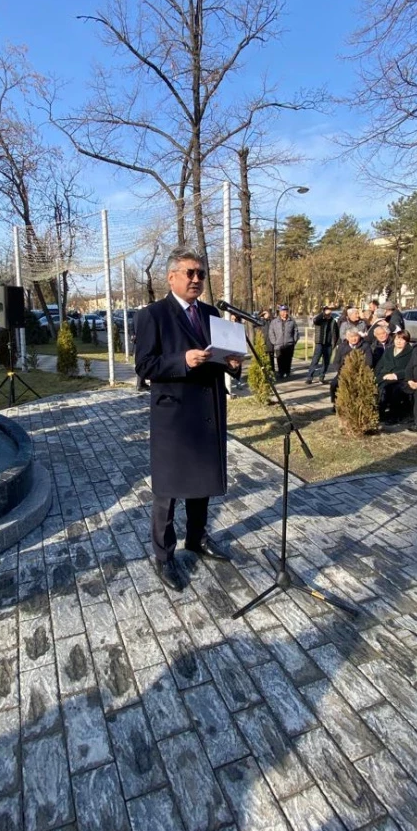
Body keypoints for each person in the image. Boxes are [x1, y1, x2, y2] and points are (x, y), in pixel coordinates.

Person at [133, 247, 242, 592]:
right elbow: (144, 365)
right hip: (174, 415)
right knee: (167, 490)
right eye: (190, 273)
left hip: (208, 410)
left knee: (202, 480)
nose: (197, 279)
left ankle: (196, 538)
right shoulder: (153, 315)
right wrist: (183, 360)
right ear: (171, 277)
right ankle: (164, 556)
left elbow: (219, 357)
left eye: (201, 274)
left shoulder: (211, 313)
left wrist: (231, 364)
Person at [375, 329, 413, 422]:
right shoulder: (389, 350)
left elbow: (411, 369)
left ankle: (393, 416)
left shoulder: (412, 352)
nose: (398, 341)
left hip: (401, 378)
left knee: (391, 389)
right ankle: (377, 413)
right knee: (377, 387)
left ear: (407, 341)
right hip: (384, 376)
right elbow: (380, 365)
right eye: (397, 339)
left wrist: (395, 375)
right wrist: (375, 375)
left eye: (402, 339)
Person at [329, 327, 372, 405]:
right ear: (347, 337)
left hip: (360, 373)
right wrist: (341, 371)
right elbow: (336, 362)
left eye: (355, 336)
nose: (353, 339)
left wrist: (360, 371)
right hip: (344, 372)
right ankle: (336, 404)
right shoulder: (342, 346)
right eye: (351, 337)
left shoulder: (365, 346)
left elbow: (369, 362)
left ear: (359, 336)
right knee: (334, 384)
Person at [306, 306, 338, 384]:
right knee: (315, 361)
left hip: (329, 344)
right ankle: (309, 377)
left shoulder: (333, 321)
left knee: (326, 362)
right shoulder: (320, 320)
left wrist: (335, 343)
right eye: (327, 311)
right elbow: (315, 320)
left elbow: (336, 333)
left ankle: (322, 377)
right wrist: (323, 314)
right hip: (320, 343)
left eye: (329, 311)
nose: (328, 313)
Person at [268, 305, 299, 379]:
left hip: (289, 344)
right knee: (280, 360)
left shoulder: (292, 321)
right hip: (278, 344)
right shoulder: (274, 322)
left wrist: (294, 340)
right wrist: (274, 342)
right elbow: (271, 332)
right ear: (280, 312)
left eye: (286, 311)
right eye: (283, 311)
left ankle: (287, 372)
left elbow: (296, 331)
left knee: (288, 359)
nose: (285, 313)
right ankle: (281, 373)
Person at [259, 309, 275, 374]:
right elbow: (254, 324)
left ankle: (272, 370)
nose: (266, 315)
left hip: (270, 342)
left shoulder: (271, 321)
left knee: (271, 357)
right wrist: (261, 315)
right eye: (264, 314)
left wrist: (269, 316)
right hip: (263, 342)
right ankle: (264, 371)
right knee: (263, 357)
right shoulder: (260, 321)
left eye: (267, 313)